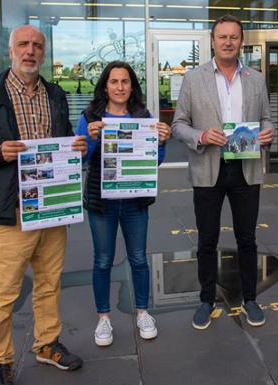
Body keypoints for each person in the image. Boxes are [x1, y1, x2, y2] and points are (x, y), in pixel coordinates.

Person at [0, 24, 86, 385]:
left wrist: (74, 146)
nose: (30, 51)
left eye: (37, 46)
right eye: (23, 44)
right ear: (10, 51)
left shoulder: (55, 94)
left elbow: (62, 139)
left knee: (49, 282)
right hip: (9, 208)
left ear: (44, 53)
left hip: (51, 207)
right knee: (5, 289)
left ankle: (46, 343)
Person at [172, 14, 274, 330]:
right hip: (208, 168)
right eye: (222, 37)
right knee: (207, 240)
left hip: (246, 168)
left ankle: (250, 299)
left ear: (241, 41)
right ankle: (205, 300)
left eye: (233, 37)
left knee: (247, 238)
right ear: (213, 41)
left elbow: (268, 119)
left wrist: (268, 134)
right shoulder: (193, 79)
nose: (228, 42)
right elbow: (178, 125)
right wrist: (201, 136)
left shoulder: (256, 79)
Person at [76, 61, 170, 346]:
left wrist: (162, 142)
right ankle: (103, 319)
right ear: (105, 85)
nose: (120, 87)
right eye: (114, 81)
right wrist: (90, 139)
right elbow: (79, 158)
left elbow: (155, 160)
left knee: (139, 259)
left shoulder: (143, 116)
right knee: (103, 260)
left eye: (125, 82)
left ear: (132, 86)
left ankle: (143, 312)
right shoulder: (90, 115)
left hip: (135, 201)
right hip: (102, 202)